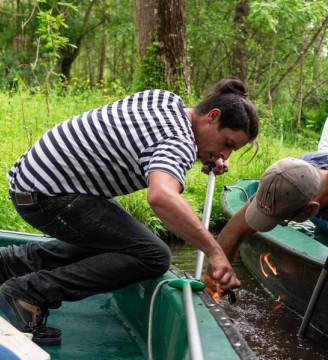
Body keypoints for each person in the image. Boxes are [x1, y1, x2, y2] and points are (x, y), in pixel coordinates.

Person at [0, 78, 259, 345]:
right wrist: (215, 252)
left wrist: (205, 155)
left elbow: (157, 145)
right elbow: (161, 196)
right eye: (227, 143)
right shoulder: (179, 142)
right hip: (49, 196)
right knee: (154, 255)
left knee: (129, 241)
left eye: (230, 151)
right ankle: (26, 295)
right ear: (212, 116)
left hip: (31, 182)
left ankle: (12, 263)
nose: (224, 154)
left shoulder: (165, 100)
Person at [204, 150, 328, 292]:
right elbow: (236, 230)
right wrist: (211, 287)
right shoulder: (294, 173)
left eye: (283, 219)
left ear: (310, 210)